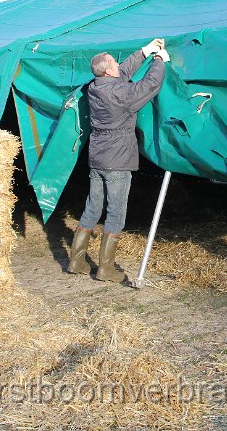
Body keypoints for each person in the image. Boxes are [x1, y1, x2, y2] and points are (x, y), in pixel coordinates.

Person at [67, 39, 169, 282]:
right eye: (115, 62)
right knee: (116, 213)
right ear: (108, 70)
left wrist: (145, 51)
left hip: (98, 158)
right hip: (118, 160)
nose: (118, 65)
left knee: (92, 207)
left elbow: (122, 72)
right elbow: (149, 85)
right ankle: (106, 269)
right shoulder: (120, 93)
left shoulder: (95, 87)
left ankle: (76, 261)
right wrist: (159, 62)